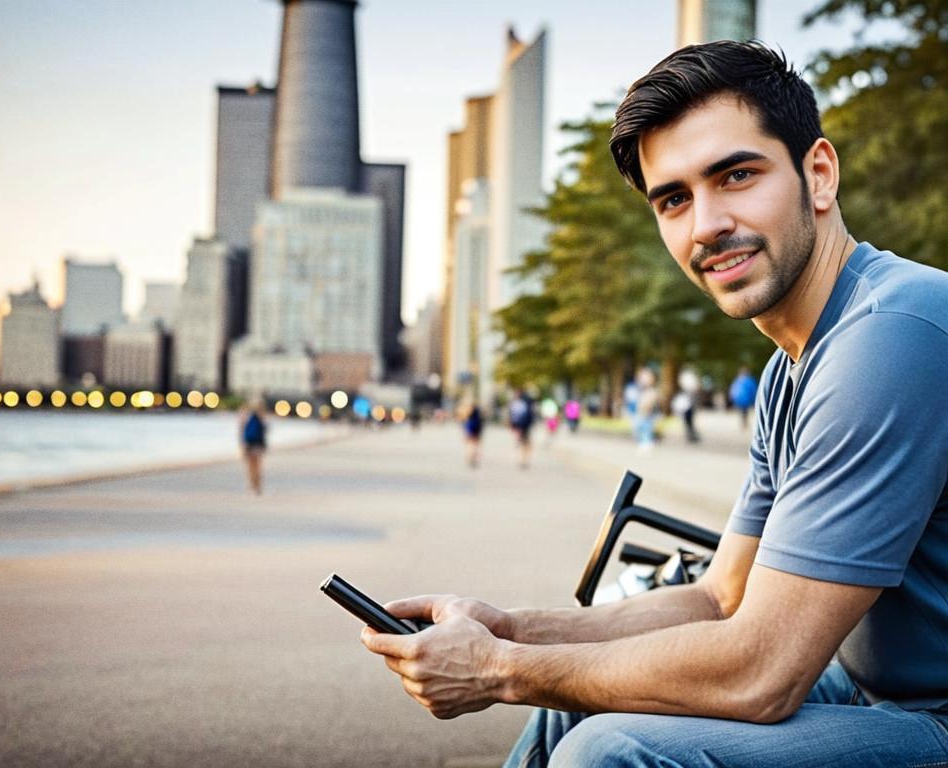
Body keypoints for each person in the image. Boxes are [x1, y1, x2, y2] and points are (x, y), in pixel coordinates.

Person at [361, 40, 948, 767]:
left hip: (932, 717)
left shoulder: (893, 336)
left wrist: (498, 670)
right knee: (570, 707)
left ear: (818, 174)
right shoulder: (789, 370)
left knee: (616, 747)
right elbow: (720, 599)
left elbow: (762, 671)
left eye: (736, 175)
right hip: (875, 696)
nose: (706, 225)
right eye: (674, 198)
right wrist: (509, 631)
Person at [239, 399, 267, 494]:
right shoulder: (260, 414)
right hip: (258, 443)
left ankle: (253, 484)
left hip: (250, 443)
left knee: (251, 466)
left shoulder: (245, 414)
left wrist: (242, 445)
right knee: (257, 465)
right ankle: (257, 484)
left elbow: (242, 431)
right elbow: (264, 429)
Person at [632, 366, 660, 453]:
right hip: (640, 413)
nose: (644, 380)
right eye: (642, 378)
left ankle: (647, 443)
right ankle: (643, 442)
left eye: (647, 378)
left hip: (648, 413)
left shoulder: (652, 390)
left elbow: (652, 401)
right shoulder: (639, 390)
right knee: (639, 428)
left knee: (646, 428)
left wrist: (648, 407)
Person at [507, 389, 535, 469]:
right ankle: (523, 459)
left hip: (521, 426)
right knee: (524, 443)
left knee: (522, 443)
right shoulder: (524, 403)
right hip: (522, 426)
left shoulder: (516, 403)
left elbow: (511, 416)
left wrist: (512, 425)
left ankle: (522, 459)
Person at [673, 365, 702, 443]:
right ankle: (691, 435)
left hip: (689, 403)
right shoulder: (688, 377)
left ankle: (691, 435)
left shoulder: (685, 377)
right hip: (688, 403)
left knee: (689, 420)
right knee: (688, 420)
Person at [462, 402, 484, 469]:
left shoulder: (468, 413)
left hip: (471, 428)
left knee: (470, 444)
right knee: (475, 445)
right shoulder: (478, 413)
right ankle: (473, 457)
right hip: (476, 429)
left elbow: (463, 418)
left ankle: (470, 457)